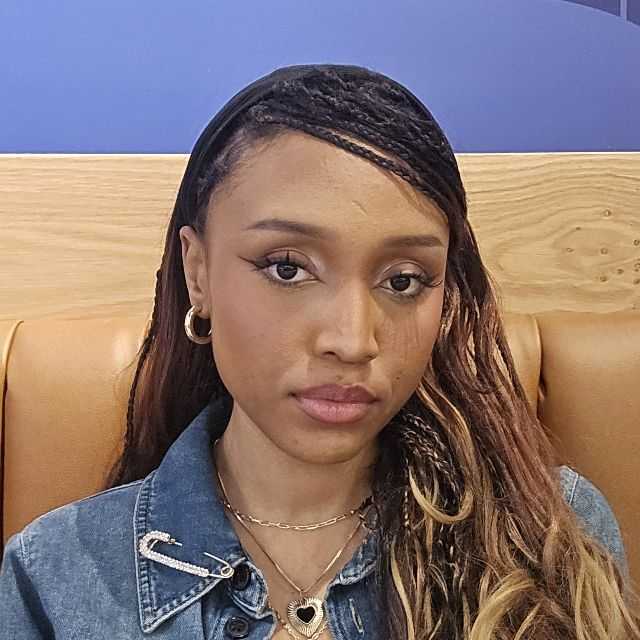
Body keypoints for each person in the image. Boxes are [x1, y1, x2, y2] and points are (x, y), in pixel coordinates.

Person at [1, 63, 638, 640]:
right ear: (198, 273)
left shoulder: (549, 533)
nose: (353, 342)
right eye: (286, 268)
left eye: (403, 281)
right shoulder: (54, 576)